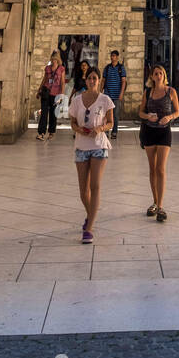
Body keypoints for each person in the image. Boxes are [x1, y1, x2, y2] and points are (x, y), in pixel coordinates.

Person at [69, 67, 114, 244]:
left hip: (98, 146)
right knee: (83, 191)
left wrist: (100, 128)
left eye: (95, 78)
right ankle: (91, 215)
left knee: (95, 186)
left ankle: (89, 228)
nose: (92, 81)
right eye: (90, 78)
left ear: (99, 80)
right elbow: (72, 122)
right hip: (81, 146)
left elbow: (110, 122)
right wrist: (79, 129)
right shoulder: (77, 100)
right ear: (85, 80)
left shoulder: (105, 100)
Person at [139, 64, 179, 222]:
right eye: (156, 73)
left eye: (161, 73)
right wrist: (148, 116)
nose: (158, 76)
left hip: (164, 132)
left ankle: (161, 206)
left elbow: (177, 111)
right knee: (152, 169)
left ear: (164, 75)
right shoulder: (148, 92)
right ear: (152, 77)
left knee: (161, 169)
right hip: (149, 131)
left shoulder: (171, 91)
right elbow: (140, 112)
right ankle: (154, 202)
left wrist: (169, 117)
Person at [37, 49, 65, 142]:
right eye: (52, 59)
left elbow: (62, 83)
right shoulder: (47, 68)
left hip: (55, 94)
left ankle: (51, 131)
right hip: (46, 92)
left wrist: (61, 95)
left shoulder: (61, 69)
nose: (53, 61)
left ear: (58, 59)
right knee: (44, 113)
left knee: (53, 114)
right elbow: (44, 79)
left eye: (55, 59)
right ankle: (41, 133)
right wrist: (39, 90)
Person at [101, 49, 127, 138]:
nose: (112, 57)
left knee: (115, 114)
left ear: (117, 57)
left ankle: (114, 131)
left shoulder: (121, 68)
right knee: (106, 114)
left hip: (116, 95)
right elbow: (103, 80)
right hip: (107, 94)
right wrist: (101, 92)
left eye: (114, 56)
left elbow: (123, 81)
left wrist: (121, 93)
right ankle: (106, 130)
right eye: (111, 56)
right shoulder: (107, 68)